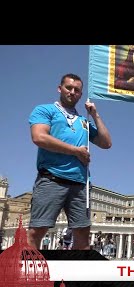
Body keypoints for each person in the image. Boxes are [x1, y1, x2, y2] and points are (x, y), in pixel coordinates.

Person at [27, 73, 112, 250]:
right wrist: (75, 151)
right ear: (60, 88)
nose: (72, 92)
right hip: (52, 178)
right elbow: (39, 137)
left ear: (81, 95)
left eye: (77, 90)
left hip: (81, 183)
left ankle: (76, 278)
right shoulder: (45, 110)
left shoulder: (84, 121)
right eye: (69, 88)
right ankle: (27, 275)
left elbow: (106, 143)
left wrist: (95, 115)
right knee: (37, 231)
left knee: (82, 235)